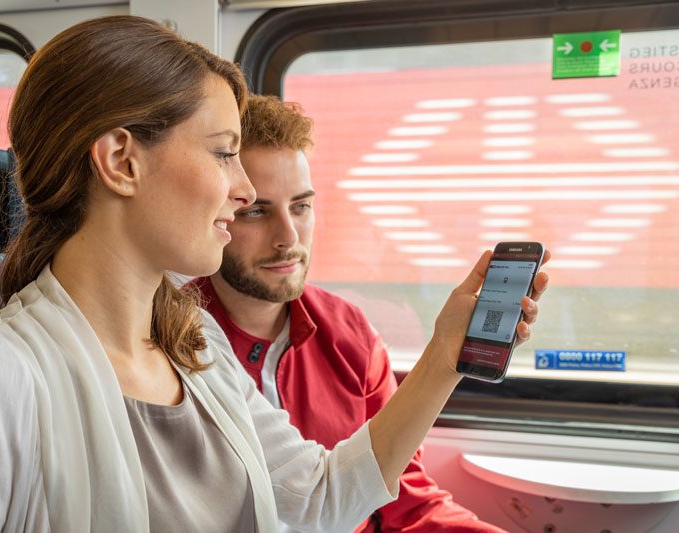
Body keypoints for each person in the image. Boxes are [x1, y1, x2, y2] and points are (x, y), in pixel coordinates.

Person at [0, 16, 548, 533]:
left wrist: (446, 352)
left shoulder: (197, 351)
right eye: (225, 154)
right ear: (120, 160)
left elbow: (318, 499)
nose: (242, 187)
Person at [192, 94, 511, 532]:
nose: (288, 237)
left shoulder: (350, 333)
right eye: (256, 212)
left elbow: (405, 502)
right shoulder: (179, 339)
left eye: (301, 206)